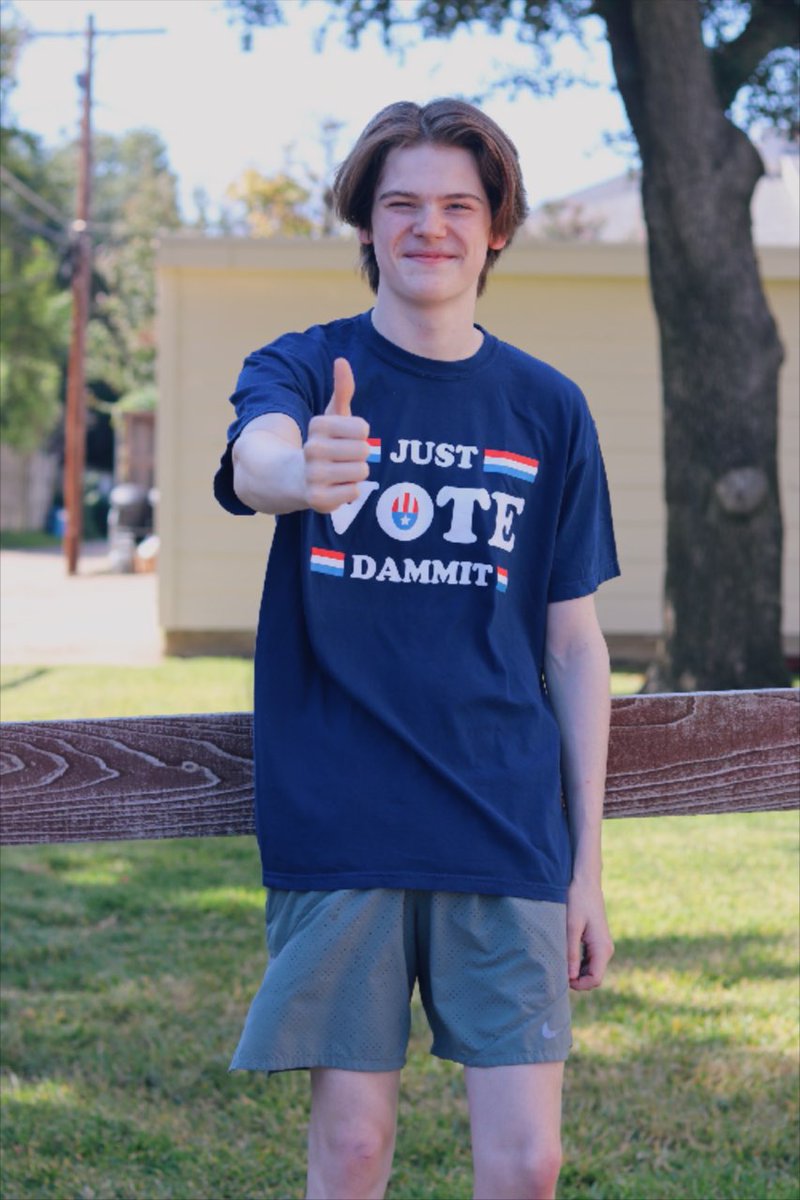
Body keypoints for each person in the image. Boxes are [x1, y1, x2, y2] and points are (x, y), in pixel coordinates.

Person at [214, 97, 619, 1200]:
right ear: (365, 227)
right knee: (351, 1150)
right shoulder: (305, 370)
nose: (426, 227)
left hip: (502, 820)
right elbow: (258, 462)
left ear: (494, 229)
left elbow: (576, 649)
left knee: (528, 1164)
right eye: (399, 205)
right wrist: (306, 472)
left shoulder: (546, 408)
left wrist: (587, 868)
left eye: (455, 205)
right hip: (344, 817)